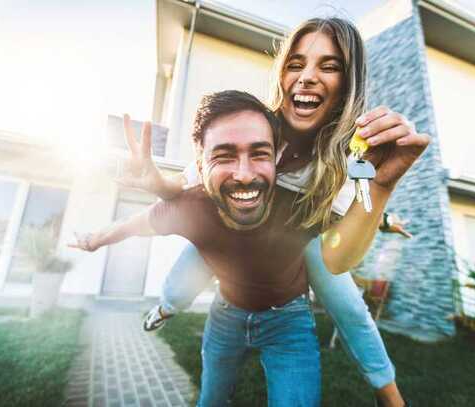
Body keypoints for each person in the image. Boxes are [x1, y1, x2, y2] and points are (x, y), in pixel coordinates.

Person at [79, 18, 429, 406]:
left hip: (294, 241)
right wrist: (154, 182)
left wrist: (380, 187)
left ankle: (388, 391)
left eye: (328, 66)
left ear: (348, 84)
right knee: (192, 266)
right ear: (281, 73)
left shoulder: (348, 158)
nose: (308, 77)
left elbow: (337, 255)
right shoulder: (247, 127)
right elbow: (183, 194)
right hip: (232, 230)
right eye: (296, 64)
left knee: (348, 305)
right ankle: (165, 307)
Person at [73, 90, 323, 405]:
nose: (244, 175)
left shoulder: (301, 208)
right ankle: (163, 309)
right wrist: (94, 240)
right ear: (199, 168)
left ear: (276, 158)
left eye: (259, 153)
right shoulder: (190, 207)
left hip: (290, 320)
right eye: (223, 156)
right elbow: (129, 225)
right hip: (227, 315)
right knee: (211, 399)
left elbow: (345, 213)